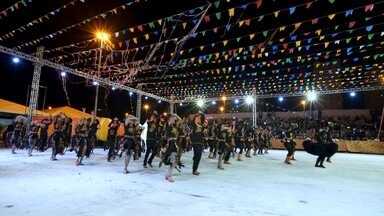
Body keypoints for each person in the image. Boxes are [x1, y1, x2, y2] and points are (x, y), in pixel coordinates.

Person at [163, 115, 179, 182]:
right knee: (172, 161)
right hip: (170, 145)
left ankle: (168, 175)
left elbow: (179, 119)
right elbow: (166, 136)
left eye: (174, 119)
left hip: (174, 144)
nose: (174, 120)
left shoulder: (174, 126)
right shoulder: (167, 126)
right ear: (169, 119)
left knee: (173, 160)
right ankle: (169, 176)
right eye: (173, 119)